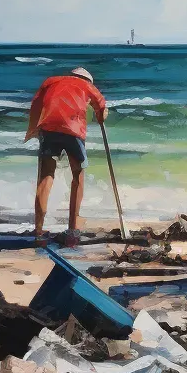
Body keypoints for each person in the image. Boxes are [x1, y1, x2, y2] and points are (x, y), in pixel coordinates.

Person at [25, 67, 107, 245]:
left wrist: (33, 130)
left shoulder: (51, 81)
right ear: (87, 80)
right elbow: (101, 106)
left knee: (45, 177)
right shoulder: (87, 86)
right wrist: (101, 116)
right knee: (78, 177)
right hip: (73, 131)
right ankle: (73, 230)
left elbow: (36, 104)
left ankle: (38, 231)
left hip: (48, 129)